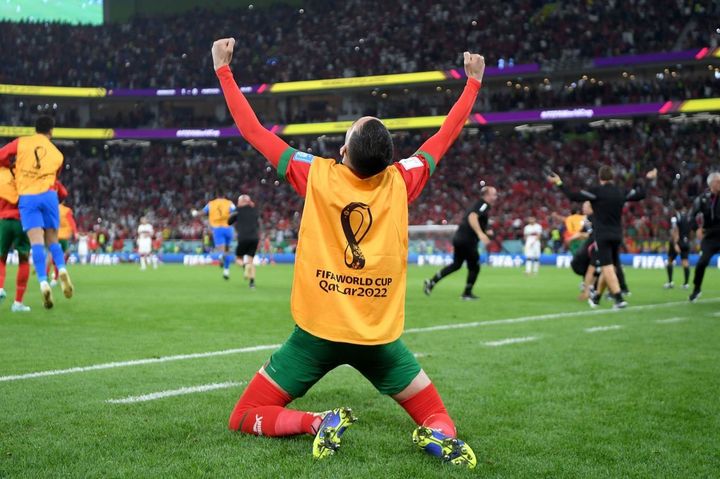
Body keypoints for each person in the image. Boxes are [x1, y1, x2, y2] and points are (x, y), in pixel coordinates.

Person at [213, 38, 484, 468]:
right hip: (377, 340)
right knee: (435, 413)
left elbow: (253, 131)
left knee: (244, 414)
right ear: (389, 159)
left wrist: (224, 71)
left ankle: (316, 422)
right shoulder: (401, 180)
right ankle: (437, 437)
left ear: (342, 152)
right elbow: (444, 136)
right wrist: (472, 84)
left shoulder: (317, 175)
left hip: (316, 334)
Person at [548, 165, 657, 309]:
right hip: (617, 234)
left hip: (602, 235)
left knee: (607, 267)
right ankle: (597, 297)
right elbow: (641, 194)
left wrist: (559, 182)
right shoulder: (620, 191)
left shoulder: (596, 192)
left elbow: (573, 196)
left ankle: (618, 299)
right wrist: (648, 179)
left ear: (600, 178)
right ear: (612, 177)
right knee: (610, 267)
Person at [0, 116, 74, 309]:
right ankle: (62, 269)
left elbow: (1, 156)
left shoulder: (22, 142)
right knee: (53, 239)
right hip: (48, 196)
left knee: (36, 242)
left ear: (35, 128)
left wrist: (12, 166)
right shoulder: (57, 154)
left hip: (28, 197)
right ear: (51, 131)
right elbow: (56, 181)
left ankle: (43, 281)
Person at [423, 186, 497, 300]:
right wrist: (480, 234)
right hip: (468, 240)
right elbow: (472, 217)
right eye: (494, 194)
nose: (495, 197)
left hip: (459, 238)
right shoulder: (484, 204)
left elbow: (472, 220)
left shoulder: (477, 204)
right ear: (487, 195)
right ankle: (467, 293)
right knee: (474, 267)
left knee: (456, 265)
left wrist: (485, 232)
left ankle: (432, 282)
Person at [0, 161, 31, 312]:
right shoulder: (28, 176)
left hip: (3, 221)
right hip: (22, 221)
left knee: (1, 258)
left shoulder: (2, 174)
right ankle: (18, 303)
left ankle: (0, 288)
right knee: (24, 260)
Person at [688, 171, 720, 302]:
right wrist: (697, 229)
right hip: (710, 236)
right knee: (702, 262)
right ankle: (696, 289)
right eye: (718, 181)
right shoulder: (702, 199)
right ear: (711, 184)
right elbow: (691, 216)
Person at [192, 195, 236, 279]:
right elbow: (235, 212)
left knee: (222, 250)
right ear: (224, 195)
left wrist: (195, 213)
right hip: (229, 229)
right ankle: (226, 271)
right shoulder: (229, 203)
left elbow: (203, 212)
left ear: (216, 195)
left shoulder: (211, 204)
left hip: (218, 229)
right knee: (227, 250)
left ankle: (221, 256)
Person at [228, 194, 259, 289]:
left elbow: (229, 221)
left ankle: (245, 266)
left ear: (241, 202)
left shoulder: (237, 210)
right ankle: (252, 283)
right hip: (255, 238)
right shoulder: (255, 210)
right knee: (251, 261)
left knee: (238, 259)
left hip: (243, 238)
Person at [48, 199, 77, 286]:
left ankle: (47, 276)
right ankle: (58, 272)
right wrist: (75, 233)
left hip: (54, 235)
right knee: (66, 254)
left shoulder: (51, 209)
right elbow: (72, 222)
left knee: (53, 256)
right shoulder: (66, 210)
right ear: (63, 201)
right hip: (63, 237)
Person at [664, 207, 692, 289]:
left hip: (677, 242)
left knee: (670, 261)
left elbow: (675, 229)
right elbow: (690, 230)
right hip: (686, 241)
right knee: (685, 262)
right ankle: (686, 284)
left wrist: (675, 243)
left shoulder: (675, 217)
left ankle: (670, 282)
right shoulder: (687, 217)